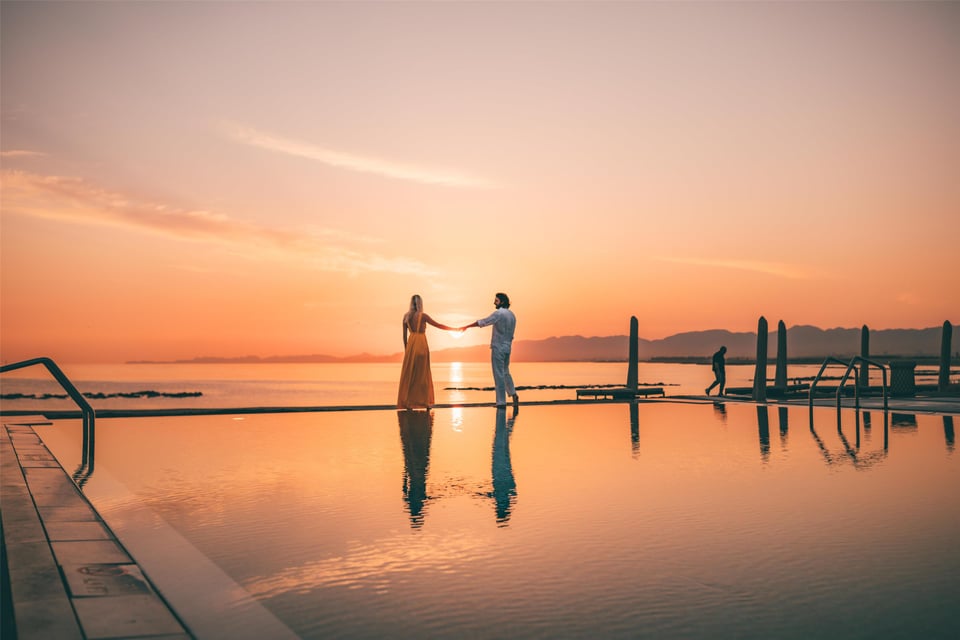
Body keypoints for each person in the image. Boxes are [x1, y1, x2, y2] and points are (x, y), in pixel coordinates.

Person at [397, 294, 456, 410]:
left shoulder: (406, 317)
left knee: (411, 376)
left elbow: (404, 336)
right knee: (423, 375)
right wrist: (453, 329)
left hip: (411, 346)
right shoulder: (423, 316)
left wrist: (407, 350)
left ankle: (408, 403)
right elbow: (438, 325)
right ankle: (425, 402)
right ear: (420, 304)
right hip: (421, 345)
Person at [462, 292, 518, 407]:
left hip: (498, 347)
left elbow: (483, 322)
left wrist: (466, 326)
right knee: (506, 372)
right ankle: (513, 394)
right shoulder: (512, 315)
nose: (494, 303)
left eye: (496, 301)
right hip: (508, 348)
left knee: (498, 374)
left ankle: (501, 402)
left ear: (502, 301)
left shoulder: (499, 314)